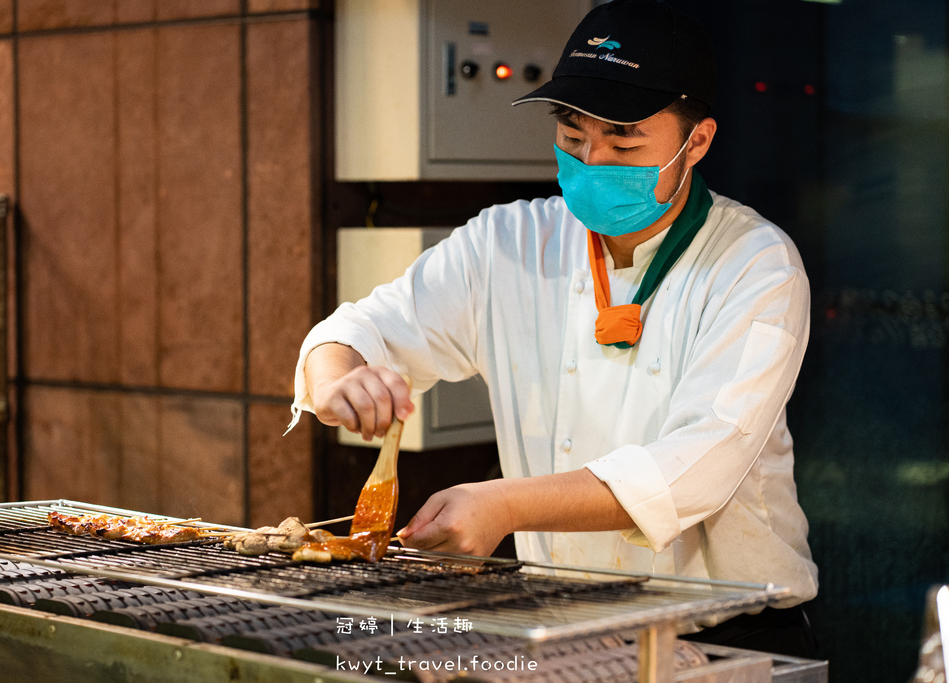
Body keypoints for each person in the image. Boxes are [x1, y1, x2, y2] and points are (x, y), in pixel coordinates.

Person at [289, 0, 818, 658]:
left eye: (623, 140)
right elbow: (358, 331)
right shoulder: (508, 241)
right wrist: (341, 377)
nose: (593, 158)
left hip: (726, 636)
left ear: (698, 140)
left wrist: (505, 506)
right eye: (572, 135)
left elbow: (691, 471)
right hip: (563, 625)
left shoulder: (756, 265)